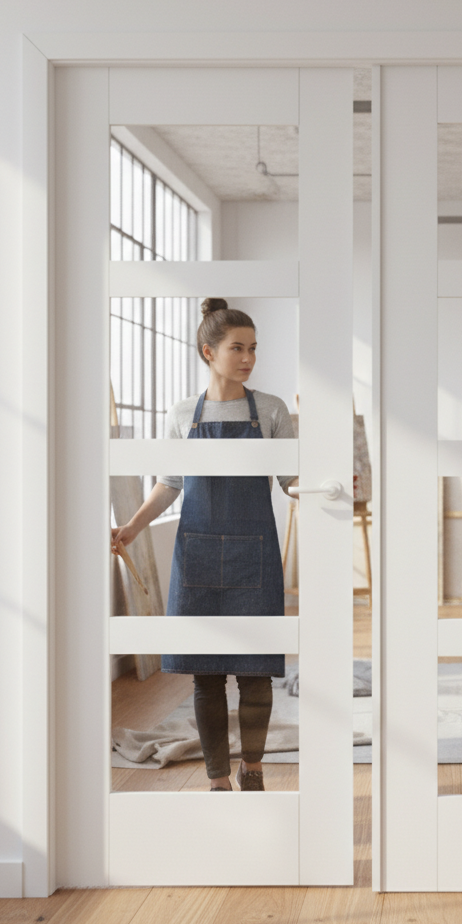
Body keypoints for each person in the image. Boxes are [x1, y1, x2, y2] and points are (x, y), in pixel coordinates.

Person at [111, 299, 296, 791]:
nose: (248, 357)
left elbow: (293, 481)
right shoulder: (180, 415)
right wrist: (131, 526)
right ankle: (216, 779)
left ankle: (252, 770)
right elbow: (170, 482)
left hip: (254, 556)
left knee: (257, 673)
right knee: (206, 675)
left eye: (253, 348)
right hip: (196, 559)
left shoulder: (273, 409)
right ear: (208, 351)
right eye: (237, 348)